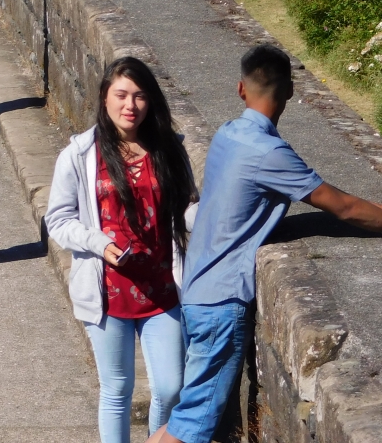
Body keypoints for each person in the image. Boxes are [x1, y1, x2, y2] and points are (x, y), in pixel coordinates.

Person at [147, 45, 382, 443]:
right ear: (289, 91)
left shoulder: (227, 134)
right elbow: (341, 206)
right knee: (190, 429)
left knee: (197, 421)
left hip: (196, 291)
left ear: (241, 89)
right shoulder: (271, 153)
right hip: (221, 305)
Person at [46, 57, 196, 443]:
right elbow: (58, 220)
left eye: (140, 96)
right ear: (105, 97)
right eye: (122, 95)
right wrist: (100, 243)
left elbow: (185, 209)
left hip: (162, 289)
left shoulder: (169, 150)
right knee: (117, 390)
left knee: (169, 388)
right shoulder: (79, 155)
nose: (131, 105)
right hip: (107, 294)